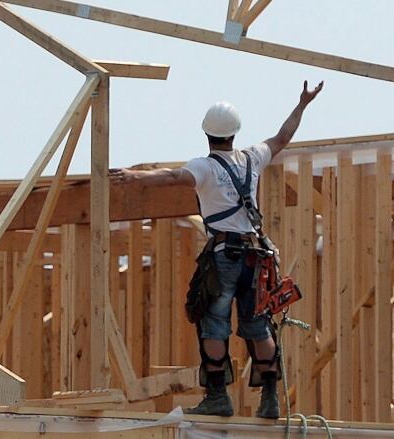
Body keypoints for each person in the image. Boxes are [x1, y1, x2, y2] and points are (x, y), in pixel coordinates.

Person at [111, 81, 323, 418]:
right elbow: (282, 138)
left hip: (225, 256)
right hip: (256, 256)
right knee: (257, 325)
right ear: (235, 133)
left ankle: (217, 396)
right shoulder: (252, 158)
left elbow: (171, 177)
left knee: (213, 324)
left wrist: (135, 177)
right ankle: (270, 399)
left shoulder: (204, 167)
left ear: (207, 134)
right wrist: (302, 105)